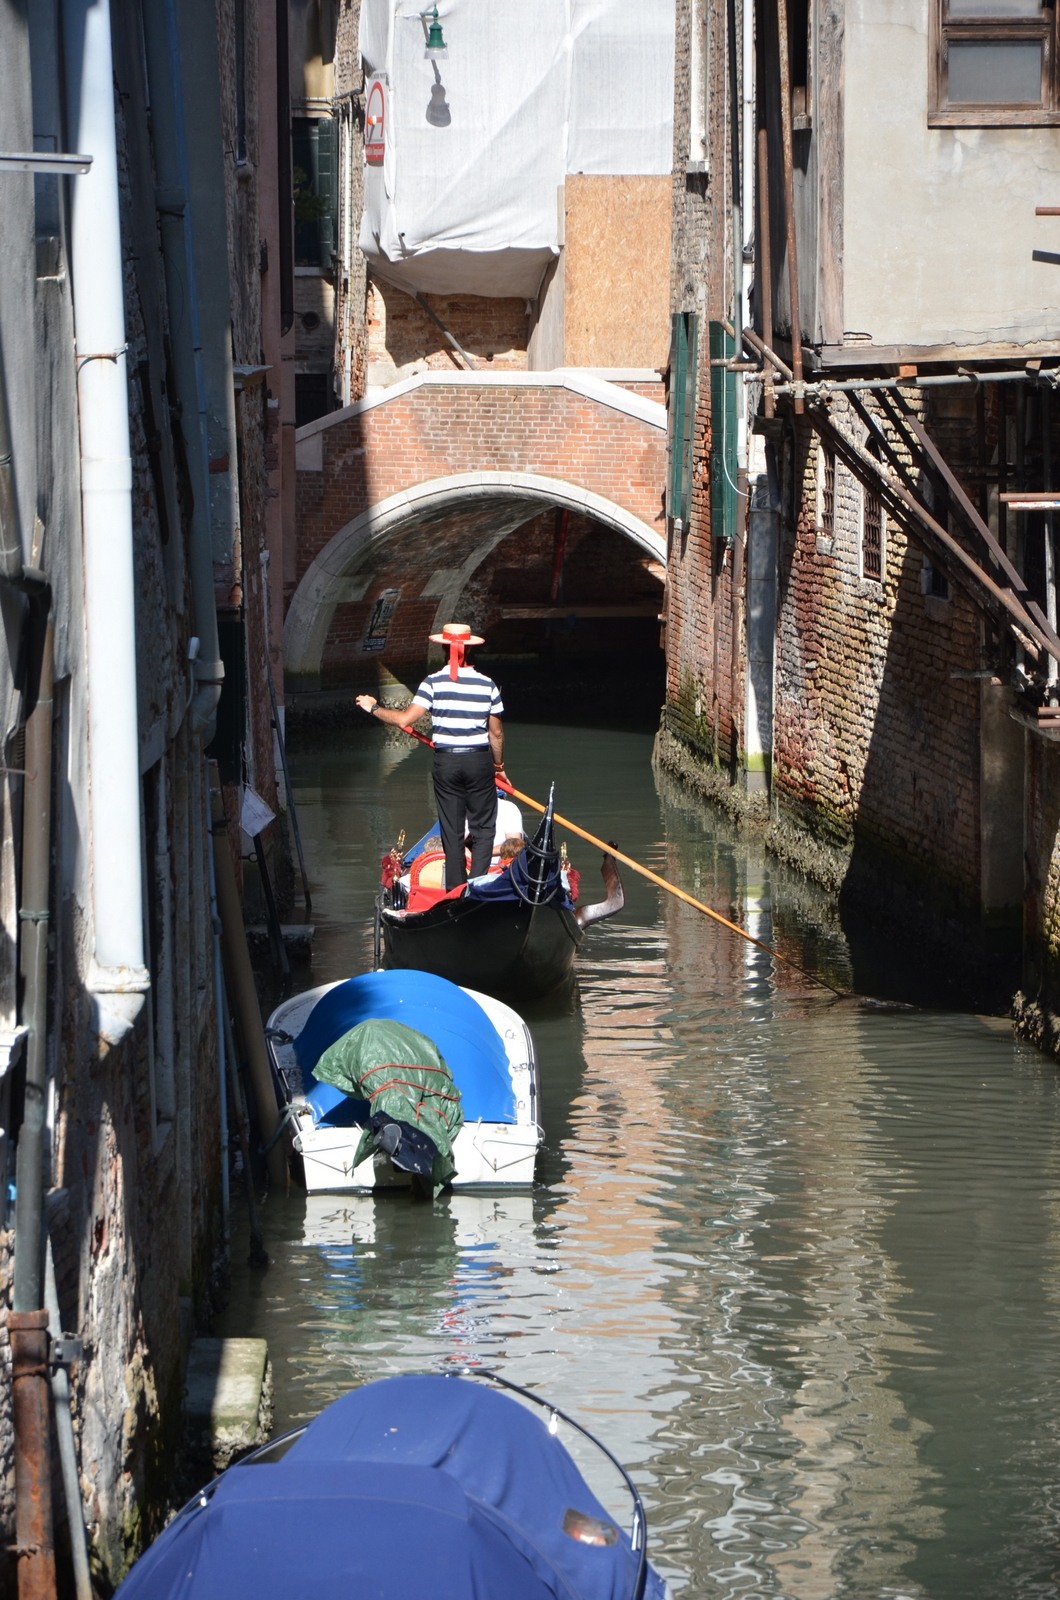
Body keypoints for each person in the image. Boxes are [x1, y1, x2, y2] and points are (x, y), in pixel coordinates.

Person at [356, 622, 507, 889]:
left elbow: (404, 720)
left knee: (452, 829)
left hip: (446, 761)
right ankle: (477, 886)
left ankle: (456, 889)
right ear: (469, 650)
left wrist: (373, 708)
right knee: (484, 829)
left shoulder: (433, 682)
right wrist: (499, 766)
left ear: (443, 648)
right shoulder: (488, 684)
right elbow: (496, 734)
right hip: (479, 761)